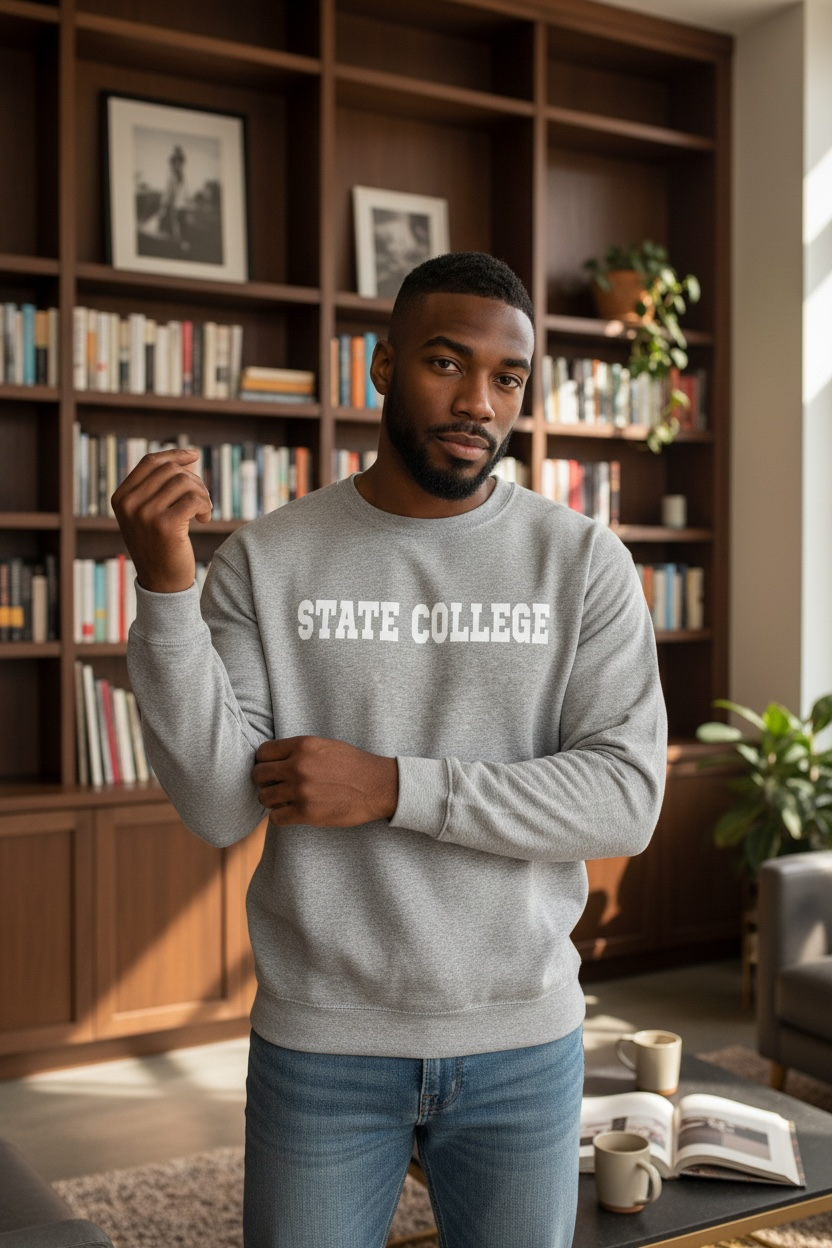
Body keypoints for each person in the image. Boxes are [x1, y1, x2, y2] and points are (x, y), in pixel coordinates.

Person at [112, 251, 667, 1248]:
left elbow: (625, 799)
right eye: (446, 363)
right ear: (381, 365)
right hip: (322, 1042)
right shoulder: (270, 559)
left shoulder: (583, 562)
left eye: (507, 378)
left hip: (523, 1038)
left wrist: (393, 787)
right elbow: (219, 804)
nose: (479, 401)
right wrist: (166, 590)